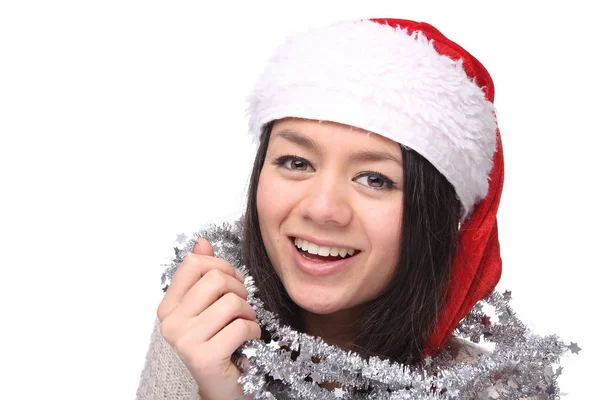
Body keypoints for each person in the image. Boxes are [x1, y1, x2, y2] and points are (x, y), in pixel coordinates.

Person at [136, 18, 565, 399]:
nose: (323, 210)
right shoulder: (202, 331)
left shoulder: (495, 392)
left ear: (435, 215)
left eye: (375, 179)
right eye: (296, 162)